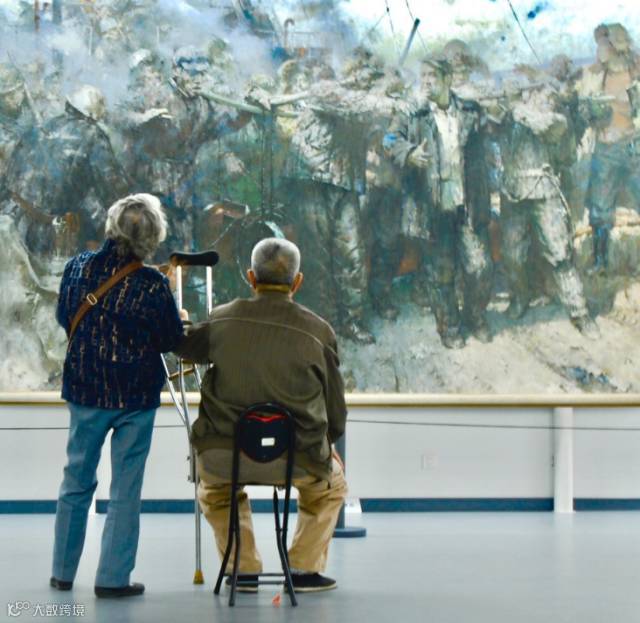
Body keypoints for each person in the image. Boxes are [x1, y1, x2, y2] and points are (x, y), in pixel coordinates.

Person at [175, 237, 348, 593]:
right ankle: (302, 570)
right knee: (331, 488)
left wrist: (183, 322)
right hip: (297, 459)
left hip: (225, 456)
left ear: (251, 277)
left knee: (216, 491)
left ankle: (243, 569)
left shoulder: (222, 319)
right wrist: (328, 446)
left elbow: (184, 346)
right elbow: (335, 410)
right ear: (297, 282)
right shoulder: (319, 331)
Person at [51, 194, 185, 598]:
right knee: (126, 488)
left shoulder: (77, 268)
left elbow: (64, 316)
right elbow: (170, 340)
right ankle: (112, 579)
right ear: (153, 236)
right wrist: (175, 312)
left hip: (85, 389)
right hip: (134, 398)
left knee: (76, 480)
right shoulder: (153, 285)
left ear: (111, 226)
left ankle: (62, 573)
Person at [385, 58, 493, 348]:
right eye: (423, 75)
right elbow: (388, 139)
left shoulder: (470, 111)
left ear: (448, 79)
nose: (427, 80)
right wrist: (409, 153)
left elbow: (489, 141)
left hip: (467, 203)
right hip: (432, 206)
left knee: (480, 267)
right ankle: (450, 329)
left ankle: (475, 318)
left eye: (433, 75)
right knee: (441, 273)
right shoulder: (412, 113)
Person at [579, 23, 640, 272]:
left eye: (604, 44)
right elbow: (584, 110)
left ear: (615, 46)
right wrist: (592, 112)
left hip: (633, 145)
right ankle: (600, 261)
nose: (600, 49)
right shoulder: (595, 75)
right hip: (605, 148)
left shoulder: (635, 69)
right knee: (600, 207)